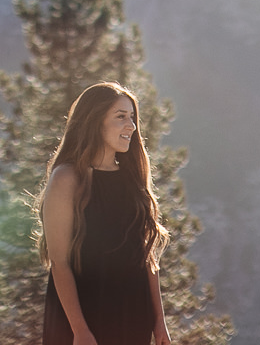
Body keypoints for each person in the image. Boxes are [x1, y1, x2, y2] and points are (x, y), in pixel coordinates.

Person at [42, 81, 172, 345]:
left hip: (132, 314)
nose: (132, 126)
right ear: (95, 121)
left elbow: (147, 256)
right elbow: (60, 262)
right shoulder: (67, 178)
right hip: (84, 315)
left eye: (132, 118)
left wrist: (160, 322)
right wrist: (80, 330)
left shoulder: (132, 178)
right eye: (121, 117)